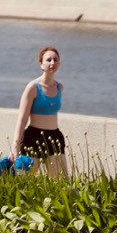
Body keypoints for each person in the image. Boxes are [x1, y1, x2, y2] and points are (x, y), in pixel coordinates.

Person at [15, 45, 68, 178]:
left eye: (55, 60)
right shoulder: (33, 87)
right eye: (48, 60)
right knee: (25, 181)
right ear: (41, 64)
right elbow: (22, 119)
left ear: (59, 63)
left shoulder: (59, 88)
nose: (52, 63)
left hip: (55, 137)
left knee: (61, 182)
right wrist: (15, 146)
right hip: (33, 138)